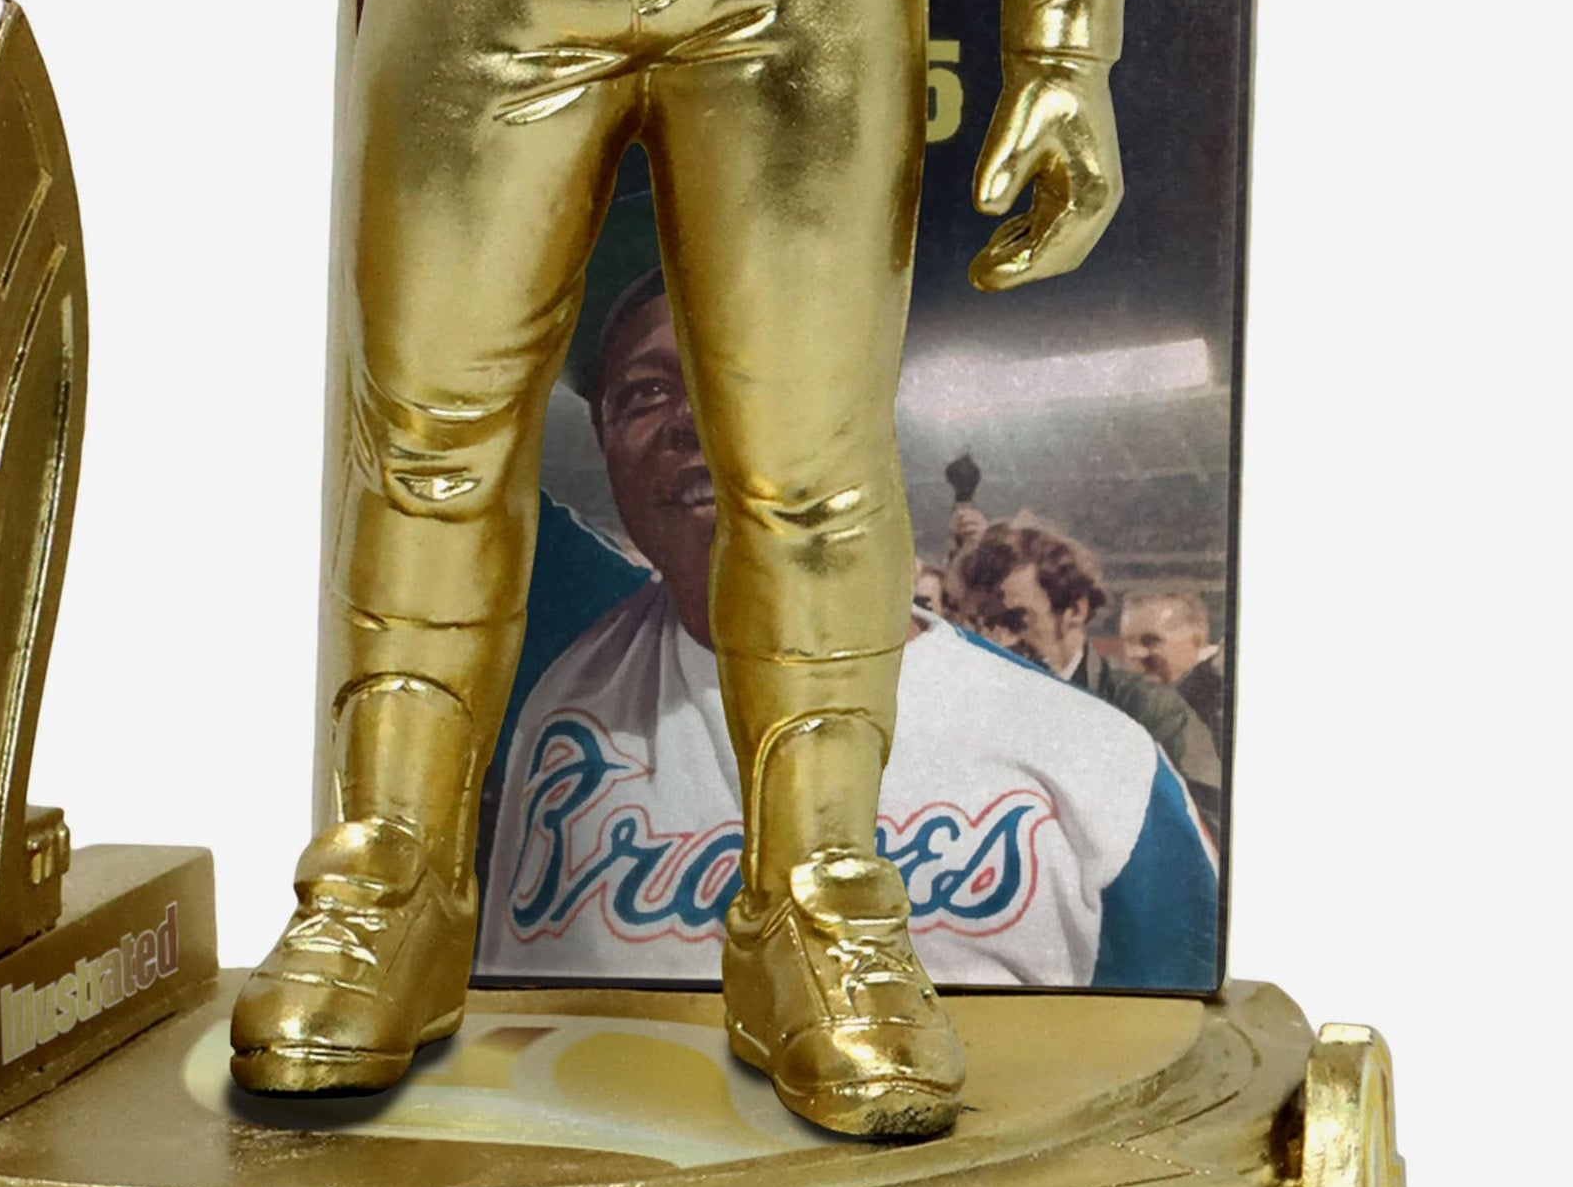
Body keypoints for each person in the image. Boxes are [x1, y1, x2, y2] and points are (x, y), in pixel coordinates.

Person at [232, 0, 1161, 1138]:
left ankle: (819, 897)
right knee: (428, 430)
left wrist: (1068, 42)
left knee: (811, 462)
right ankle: (389, 872)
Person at [480, 274, 1219, 992]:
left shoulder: (1092, 757)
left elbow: (1197, 1058)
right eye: (645, 392)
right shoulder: (551, 643)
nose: (692, 414)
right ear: (604, 442)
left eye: (740, 372)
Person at [946, 521, 1222, 841]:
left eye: (1015, 620)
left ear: (1075, 609)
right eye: (979, 623)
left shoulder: (1148, 711)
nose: (995, 642)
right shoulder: (967, 712)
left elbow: (1210, 833)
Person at [1122, 589, 1226, 754]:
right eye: (1129, 642)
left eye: (1151, 641)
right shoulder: (1135, 700)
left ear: (1197, 640)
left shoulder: (1223, 701)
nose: (1134, 653)